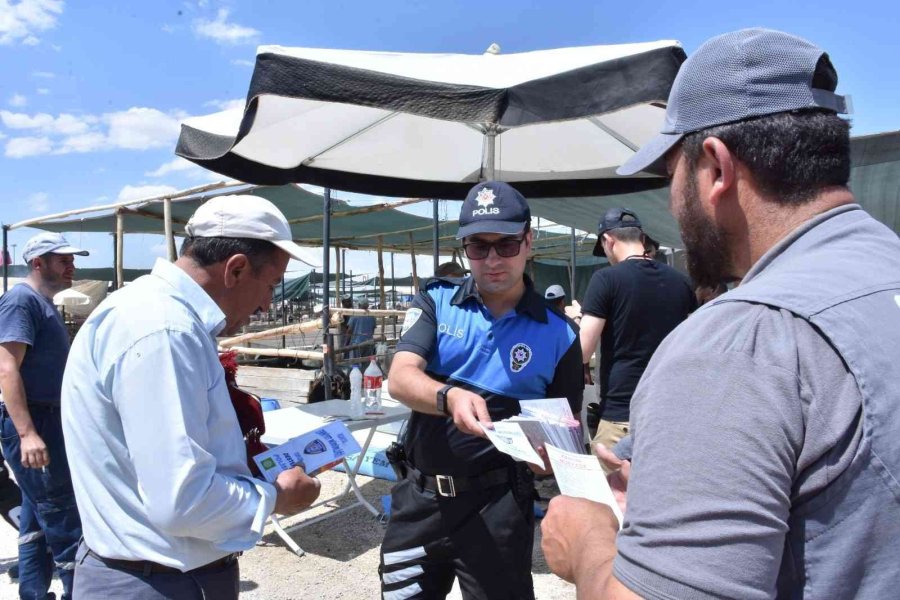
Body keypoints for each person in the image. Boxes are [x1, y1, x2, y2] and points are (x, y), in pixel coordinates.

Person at [541, 28, 900, 599]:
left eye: (669, 174)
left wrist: (586, 545)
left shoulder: (745, 340)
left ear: (715, 167)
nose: (671, 200)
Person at [61, 195, 322, 600]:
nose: (267, 303)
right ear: (235, 269)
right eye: (270, 285)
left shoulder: (150, 313)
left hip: (148, 574)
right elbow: (183, 500)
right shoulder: (166, 331)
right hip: (159, 581)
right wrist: (277, 497)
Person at [381, 181, 583, 600]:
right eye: (478, 246)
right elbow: (400, 377)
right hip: (420, 502)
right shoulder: (436, 301)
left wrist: (551, 459)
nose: (492, 259)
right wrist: (448, 397)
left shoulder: (561, 335)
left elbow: (564, 437)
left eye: (506, 244)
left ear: (529, 242)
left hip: (499, 507)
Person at [0, 232, 88, 600]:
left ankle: (34, 593)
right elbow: (6, 367)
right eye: (63, 260)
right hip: (36, 422)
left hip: (47, 419)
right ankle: (78, 592)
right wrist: (27, 434)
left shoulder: (41, 302)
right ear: (38, 263)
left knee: (38, 516)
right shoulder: (21, 301)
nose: (72, 267)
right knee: (64, 517)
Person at [578, 207, 695, 450]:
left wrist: (577, 321)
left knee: (614, 487)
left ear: (608, 241)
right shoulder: (681, 281)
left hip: (622, 413)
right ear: (642, 239)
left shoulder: (606, 279)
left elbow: (582, 352)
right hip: (672, 411)